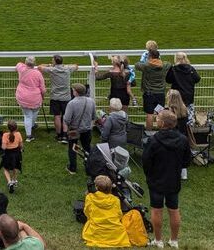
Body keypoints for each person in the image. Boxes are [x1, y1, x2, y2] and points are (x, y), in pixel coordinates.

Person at [142, 110, 192, 249]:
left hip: (156, 179)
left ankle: (158, 241)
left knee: (156, 209)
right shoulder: (183, 139)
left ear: (162, 123)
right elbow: (187, 161)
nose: (156, 120)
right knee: (174, 209)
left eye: (157, 118)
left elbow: (146, 161)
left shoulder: (153, 140)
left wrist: (150, 174)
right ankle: (174, 240)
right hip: (173, 180)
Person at [81, 175, 130, 248]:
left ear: (95, 187)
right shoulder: (116, 200)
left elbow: (87, 213)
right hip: (115, 235)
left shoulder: (90, 197)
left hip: (95, 233)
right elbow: (119, 215)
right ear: (110, 188)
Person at [39, 55, 78, 143]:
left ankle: (59, 135)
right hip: (66, 97)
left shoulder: (52, 69)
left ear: (55, 62)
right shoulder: (67, 69)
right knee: (65, 116)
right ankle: (65, 135)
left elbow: (40, 66)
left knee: (57, 116)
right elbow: (76, 66)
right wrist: (65, 65)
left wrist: (49, 65)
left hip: (55, 97)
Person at [63, 83, 96, 175]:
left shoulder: (71, 103)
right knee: (87, 148)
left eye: (73, 90)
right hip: (87, 129)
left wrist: (67, 129)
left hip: (74, 129)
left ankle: (72, 168)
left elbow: (67, 119)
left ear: (76, 92)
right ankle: (89, 167)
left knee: (72, 148)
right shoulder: (91, 101)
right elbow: (94, 116)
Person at [136, 49, 172, 131]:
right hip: (160, 94)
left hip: (149, 94)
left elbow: (137, 65)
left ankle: (149, 133)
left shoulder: (146, 66)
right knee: (160, 113)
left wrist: (143, 60)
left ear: (150, 56)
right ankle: (162, 132)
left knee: (150, 114)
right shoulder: (164, 65)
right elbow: (169, 64)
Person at [15, 57, 46, 142]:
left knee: (27, 115)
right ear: (34, 64)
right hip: (35, 98)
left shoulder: (21, 69)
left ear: (26, 63)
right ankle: (31, 127)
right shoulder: (38, 73)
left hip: (23, 97)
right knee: (33, 113)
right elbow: (43, 89)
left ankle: (29, 134)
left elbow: (18, 64)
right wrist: (43, 96)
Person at [0, 120, 23, 193]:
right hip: (16, 153)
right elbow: (21, 145)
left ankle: (9, 182)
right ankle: (14, 180)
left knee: (6, 169)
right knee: (15, 167)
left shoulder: (5, 135)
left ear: (8, 128)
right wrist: (21, 149)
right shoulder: (18, 134)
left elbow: (3, 147)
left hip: (8, 154)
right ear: (16, 128)